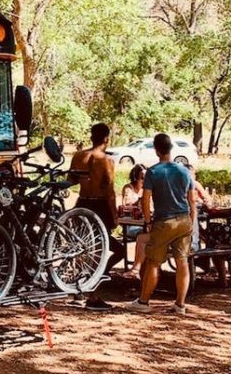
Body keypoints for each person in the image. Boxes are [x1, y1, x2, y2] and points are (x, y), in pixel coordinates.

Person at [126, 134, 197, 316]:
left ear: (156, 150)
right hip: (184, 220)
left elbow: (146, 198)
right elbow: (192, 200)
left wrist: (148, 220)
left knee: (153, 262)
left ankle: (144, 301)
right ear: (171, 149)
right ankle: (180, 304)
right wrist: (192, 220)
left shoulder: (153, 171)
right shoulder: (184, 171)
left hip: (164, 221)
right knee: (182, 261)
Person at [70, 122, 126, 311]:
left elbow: (70, 180)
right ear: (105, 139)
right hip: (99, 206)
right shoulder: (106, 161)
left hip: (82, 203)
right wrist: (115, 215)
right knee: (104, 250)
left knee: (83, 248)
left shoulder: (79, 156)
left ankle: (79, 291)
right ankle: (92, 292)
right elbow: (109, 191)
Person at [120, 165, 148, 277]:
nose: (144, 180)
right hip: (131, 224)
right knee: (144, 235)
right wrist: (140, 201)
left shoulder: (147, 189)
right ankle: (139, 267)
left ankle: (145, 268)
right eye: (142, 177)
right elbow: (126, 203)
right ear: (136, 177)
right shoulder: (129, 188)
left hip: (144, 223)